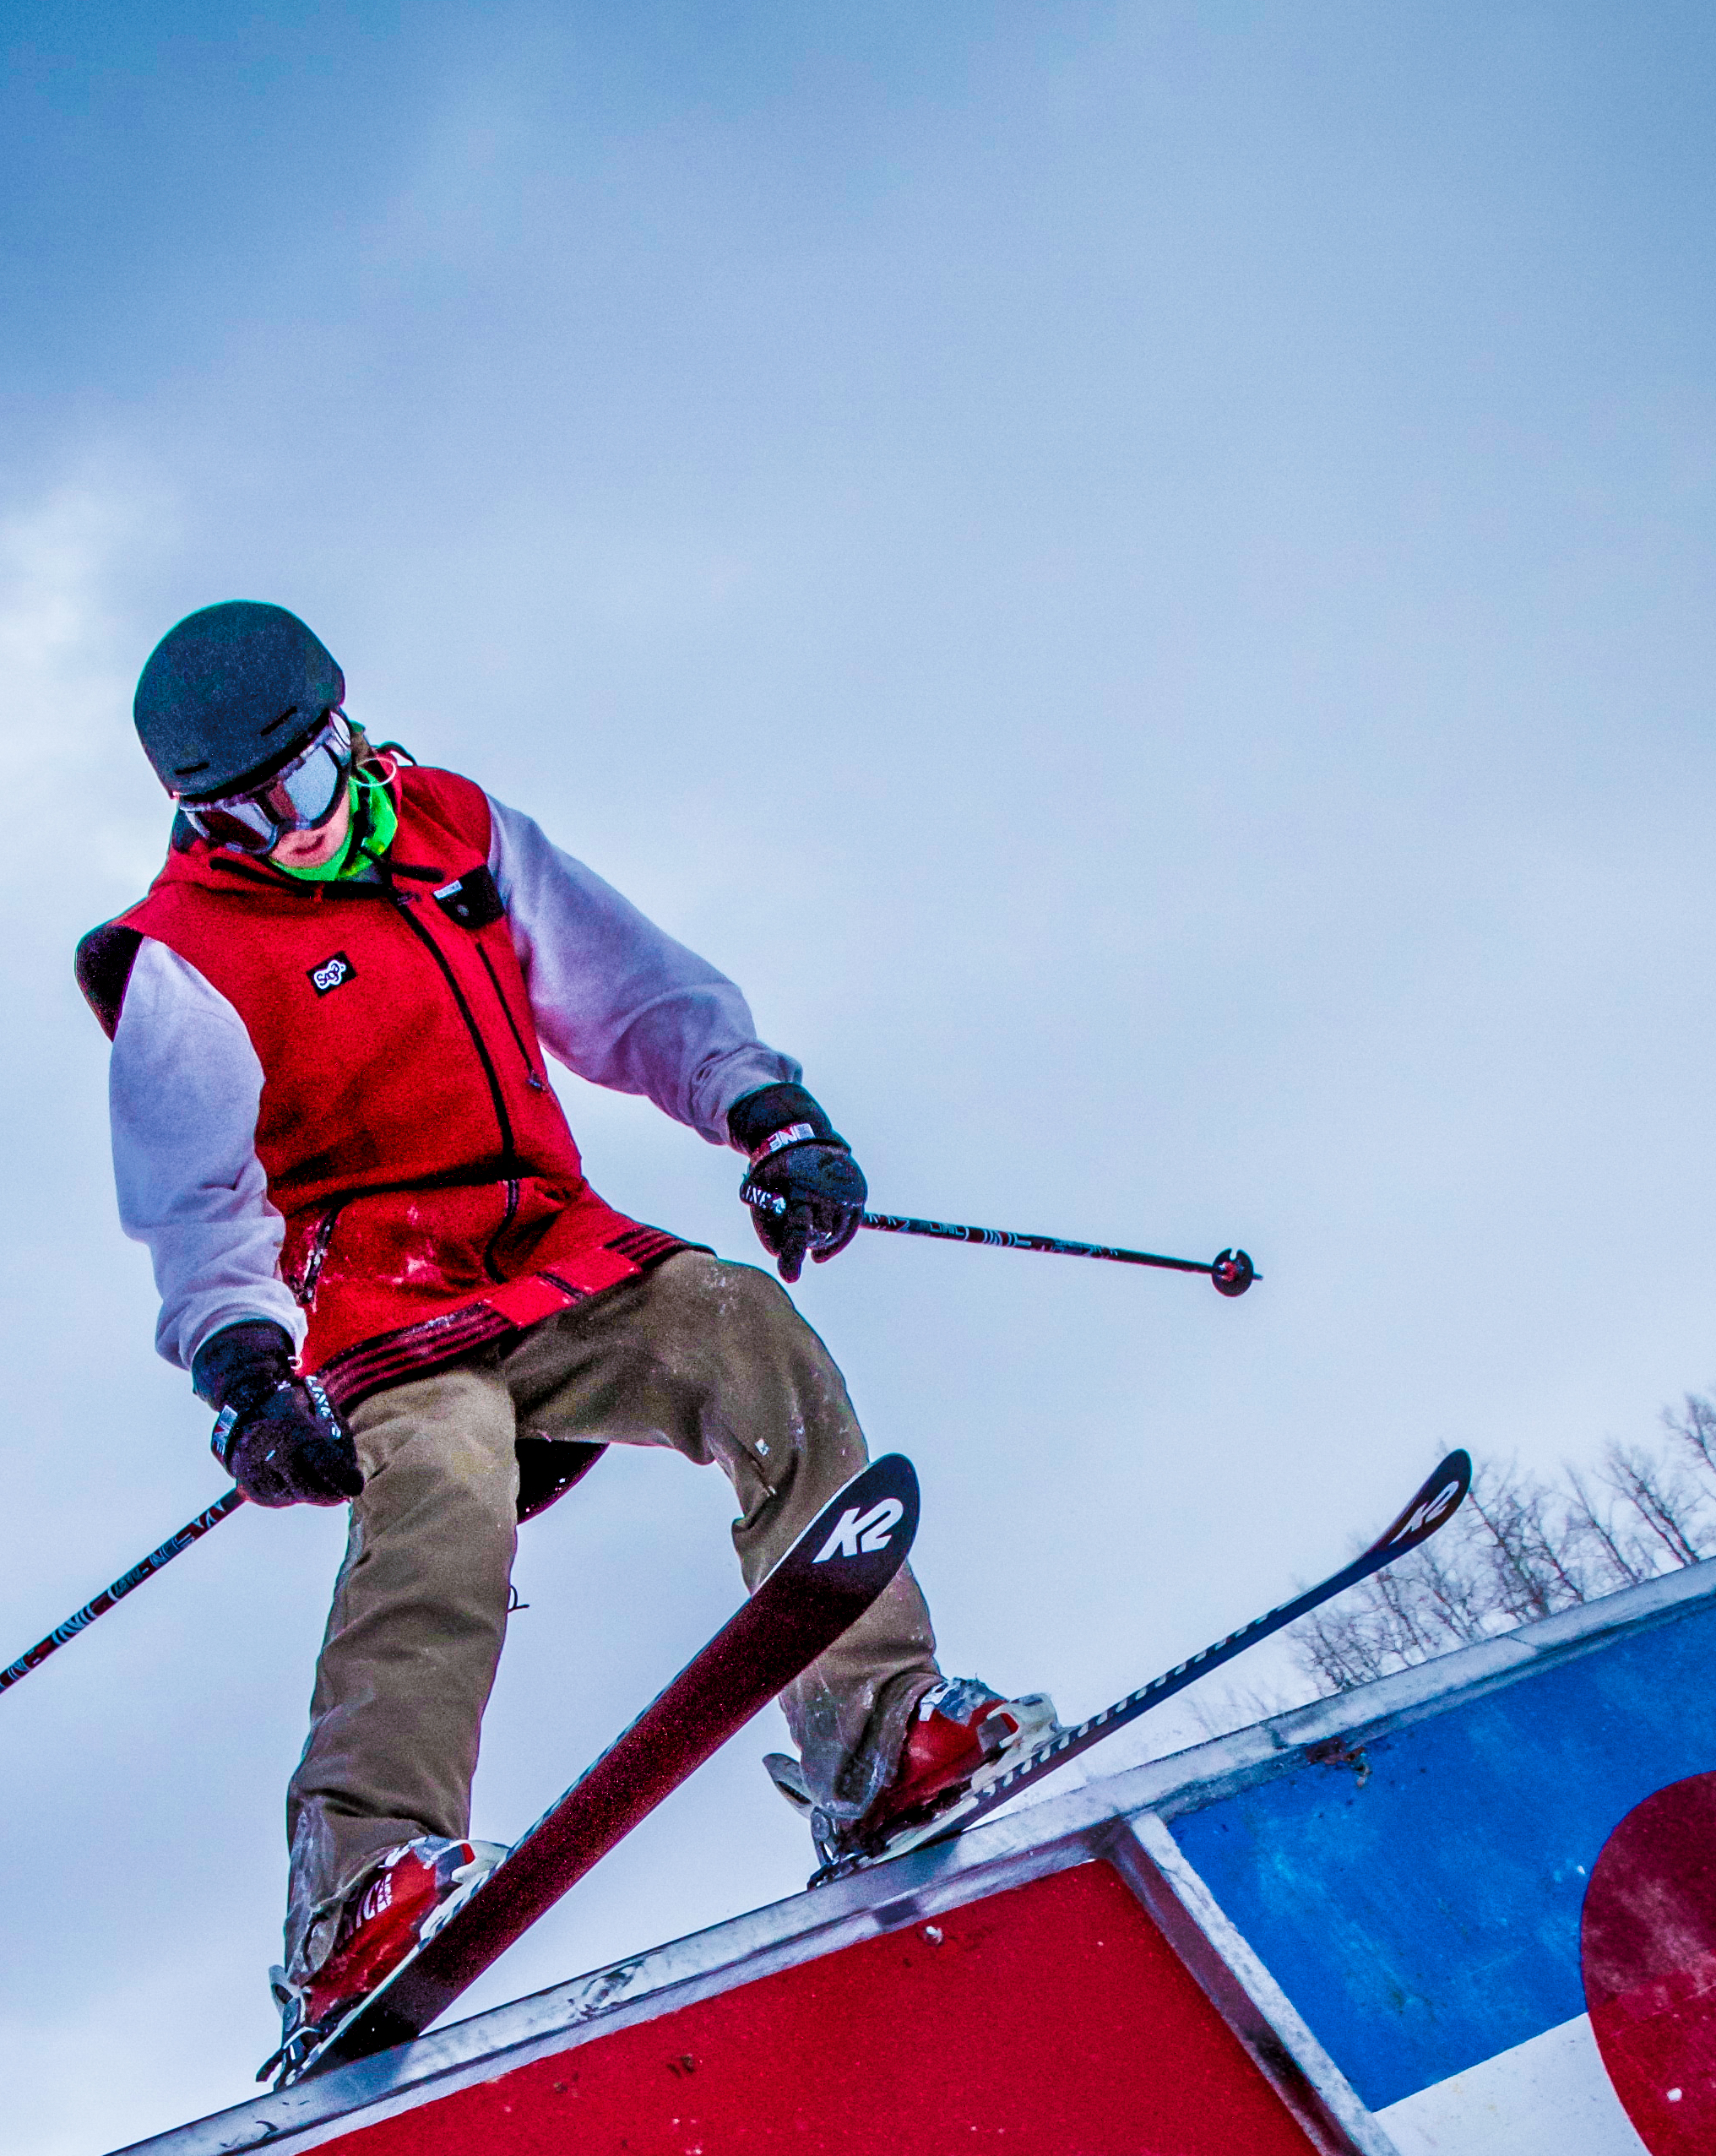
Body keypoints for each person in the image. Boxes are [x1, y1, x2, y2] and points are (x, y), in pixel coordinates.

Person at [78, 600, 1057, 2061]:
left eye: (296, 790)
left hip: (550, 1256)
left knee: (741, 1328)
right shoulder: (191, 954)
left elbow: (631, 990)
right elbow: (193, 1200)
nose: (282, 834)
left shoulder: (460, 836)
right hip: (387, 1310)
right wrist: (241, 1363)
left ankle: (872, 1734)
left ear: (342, 734)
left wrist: (764, 1111)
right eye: (237, 817)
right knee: (449, 1482)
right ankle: (352, 1890)